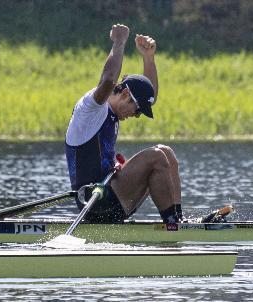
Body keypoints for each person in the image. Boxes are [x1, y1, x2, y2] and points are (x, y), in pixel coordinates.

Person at [65, 24, 184, 224]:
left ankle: (178, 219)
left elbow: (149, 95)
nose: (136, 116)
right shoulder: (91, 109)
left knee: (166, 152)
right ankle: (172, 224)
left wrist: (148, 58)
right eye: (137, 110)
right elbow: (109, 79)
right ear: (126, 94)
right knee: (155, 156)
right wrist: (119, 41)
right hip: (94, 203)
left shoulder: (116, 109)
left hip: (112, 195)